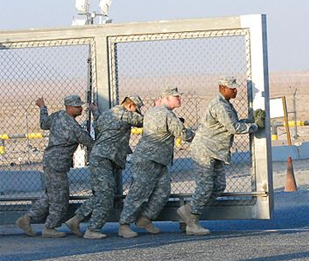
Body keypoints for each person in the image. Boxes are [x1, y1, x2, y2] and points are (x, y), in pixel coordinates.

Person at [177, 77, 259, 236]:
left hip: (216, 151)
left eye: (235, 88)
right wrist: (254, 126)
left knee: (219, 185)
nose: (235, 90)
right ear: (222, 88)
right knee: (206, 186)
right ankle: (192, 223)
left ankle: (187, 211)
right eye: (232, 88)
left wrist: (249, 121)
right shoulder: (219, 106)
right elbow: (233, 127)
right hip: (205, 150)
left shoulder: (226, 104)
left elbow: (231, 123)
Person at [118, 87, 195, 238]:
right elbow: (183, 134)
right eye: (176, 97)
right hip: (148, 159)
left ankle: (145, 219)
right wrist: (200, 137)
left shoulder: (155, 111)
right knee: (138, 193)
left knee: (163, 192)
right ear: (166, 98)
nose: (179, 99)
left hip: (159, 160)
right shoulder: (165, 114)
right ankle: (124, 224)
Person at [64, 95, 144, 239]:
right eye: (137, 109)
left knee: (101, 194)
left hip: (101, 158)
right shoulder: (125, 114)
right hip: (104, 158)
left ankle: (75, 220)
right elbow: (142, 122)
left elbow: (98, 124)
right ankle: (92, 230)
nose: (137, 112)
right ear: (131, 106)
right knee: (106, 195)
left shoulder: (109, 113)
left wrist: (95, 111)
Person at [15, 95, 95, 238]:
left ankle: (26, 219)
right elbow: (89, 142)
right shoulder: (73, 127)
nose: (81, 108)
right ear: (69, 108)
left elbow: (44, 123)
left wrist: (42, 108)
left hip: (51, 162)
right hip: (57, 165)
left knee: (51, 195)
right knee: (60, 198)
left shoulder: (57, 116)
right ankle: (49, 227)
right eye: (77, 106)